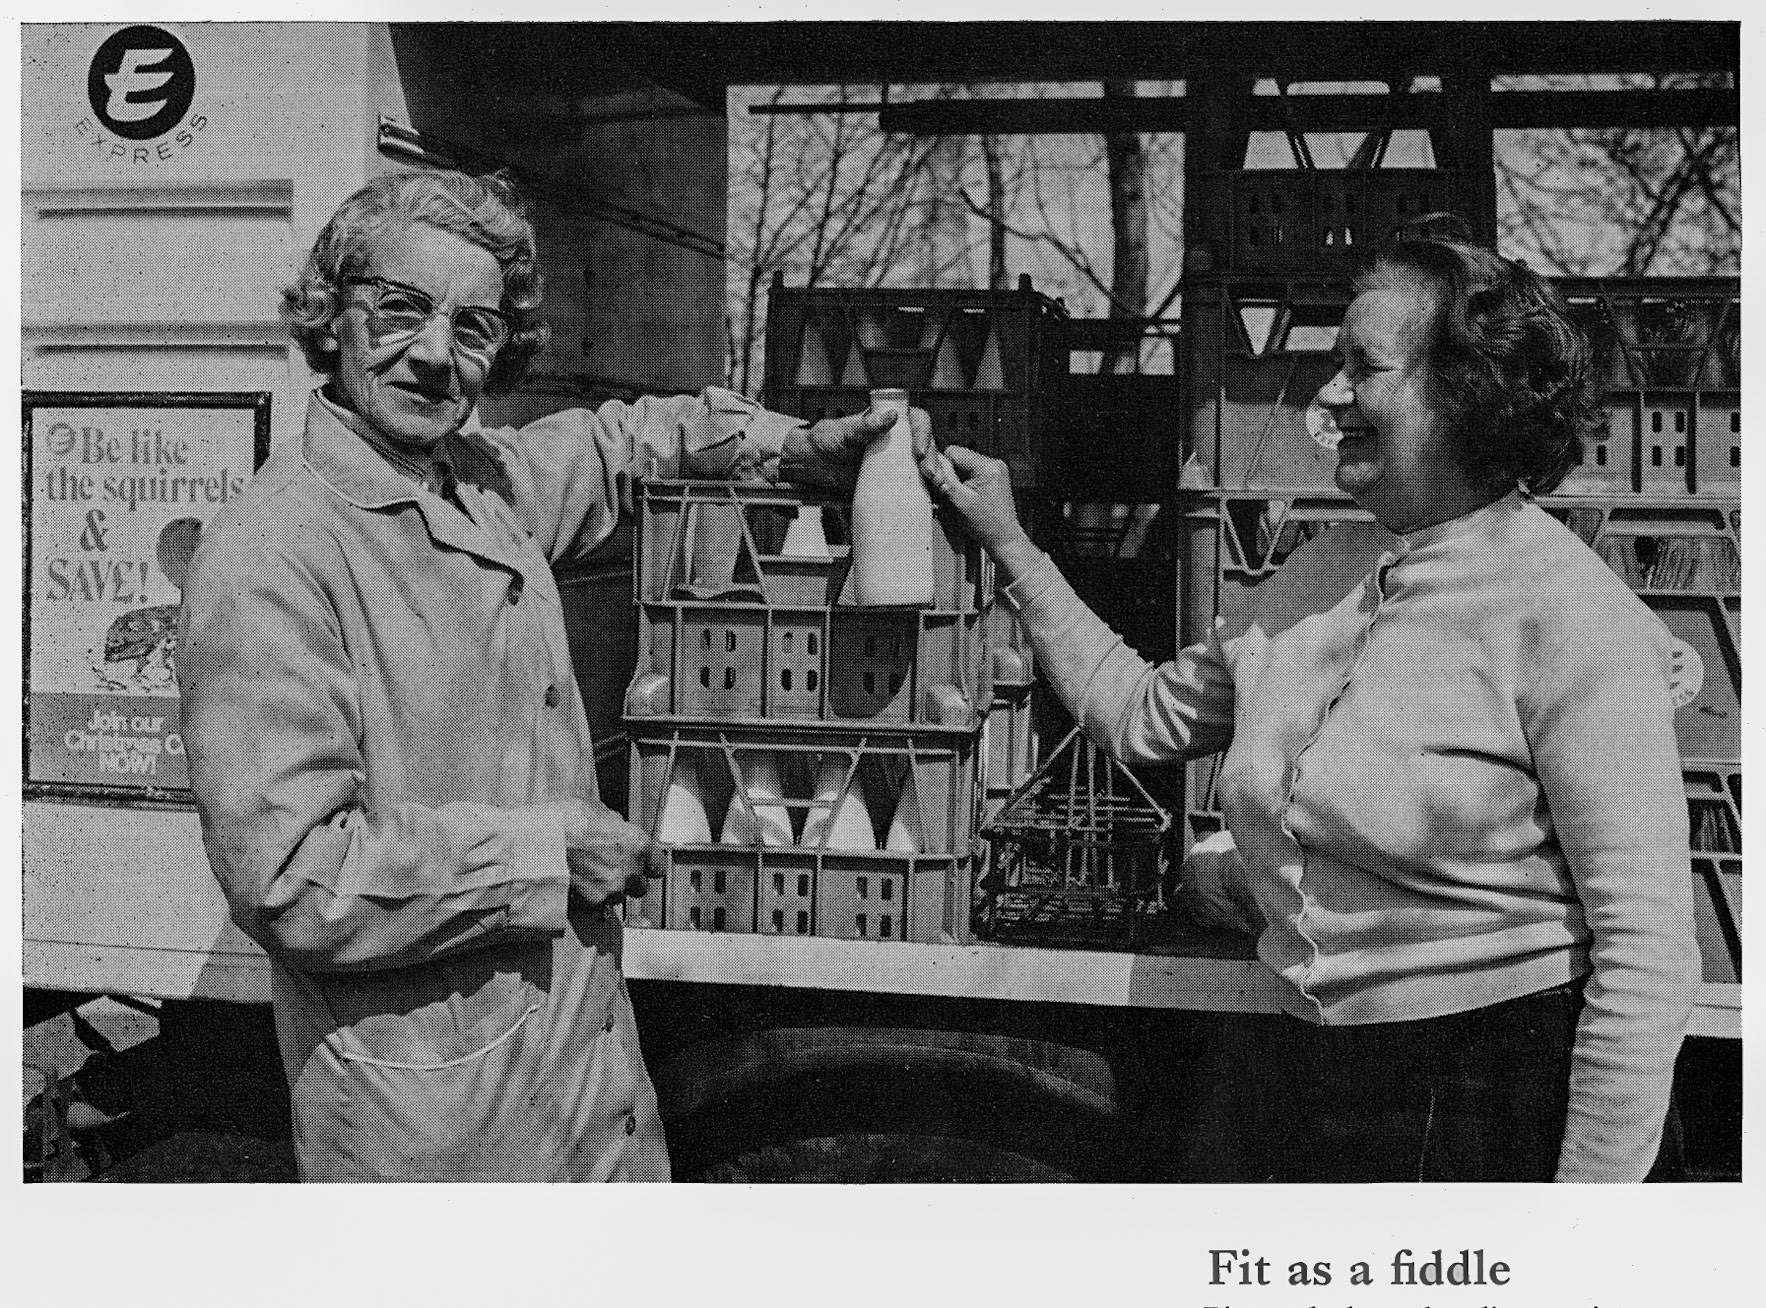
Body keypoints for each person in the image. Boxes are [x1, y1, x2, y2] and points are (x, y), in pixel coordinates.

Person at [179, 168, 924, 1181]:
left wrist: (792, 446)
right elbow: (294, 876)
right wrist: (545, 855)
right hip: (437, 1131)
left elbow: (619, 444)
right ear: (331, 314)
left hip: (582, 1091)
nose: (434, 354)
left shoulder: (475, 483)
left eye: (473, 327)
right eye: (399, 309)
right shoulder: (271, 550)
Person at [936, 236, 1700, 1182]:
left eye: (1363, 368)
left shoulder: (1572, 613)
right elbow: (1138, 715)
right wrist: (1010, 544)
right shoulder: (1320, 574)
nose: (1329, 396)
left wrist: (1583, 1219)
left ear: (1468, 393)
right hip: (1302, 1069)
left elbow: (1648, 953)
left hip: (1495, 1092)